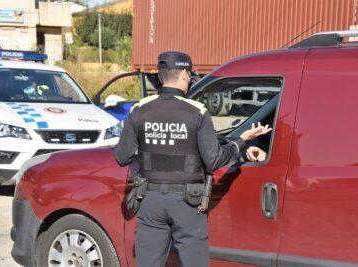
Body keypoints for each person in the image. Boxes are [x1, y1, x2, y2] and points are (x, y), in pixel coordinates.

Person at [115, 51, 272, 267]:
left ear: (160, 77)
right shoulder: (197, 112)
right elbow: (213, 160)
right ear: (184, 76)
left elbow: (121, 157)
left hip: (150, 201)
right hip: (187, 204)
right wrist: (241, 142)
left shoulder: (139, 110)